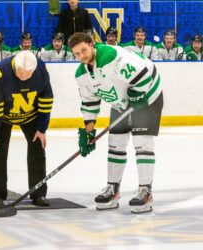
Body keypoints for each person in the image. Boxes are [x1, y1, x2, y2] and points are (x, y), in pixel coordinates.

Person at [68, 32, 163, 214]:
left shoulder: (110, 57)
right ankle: (113, 189)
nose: (81, 56)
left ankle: (145, 190)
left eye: (84, 50)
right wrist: (89, 133)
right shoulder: (81, 74)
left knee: (142, 142)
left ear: (92, 44)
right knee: (115, 143)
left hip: (148, 93)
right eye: (76, 54)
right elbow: (89, 103)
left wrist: (138, 96)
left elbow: (143, 75)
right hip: (122, 100)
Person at [0, 50, 54, 207]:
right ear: (15, 66)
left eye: (27, 74)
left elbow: (46, 99)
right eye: (20, 73)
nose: (23, 77)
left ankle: (38, 193)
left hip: (31, 116)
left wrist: (42, 129)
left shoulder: (40, 68)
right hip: (4, 117)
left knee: (38, 148)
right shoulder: (2, 70)